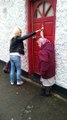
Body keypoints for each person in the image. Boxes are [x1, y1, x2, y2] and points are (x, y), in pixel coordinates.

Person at [37, 29, 56, 96]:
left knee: (46, 81)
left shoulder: (43, 52)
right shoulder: (50, 46)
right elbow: (45, 40)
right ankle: (49, 89)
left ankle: (47, 93)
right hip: (51, 68)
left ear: (42, 43)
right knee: (50, 80)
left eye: (39, 44)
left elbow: (44, 63)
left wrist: (42, 72)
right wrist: (42, 35)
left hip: (47, 69)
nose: (38, 45)